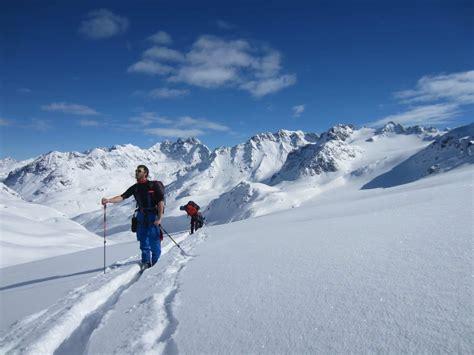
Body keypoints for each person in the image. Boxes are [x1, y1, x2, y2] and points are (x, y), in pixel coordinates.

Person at [101, 165, 164, 269]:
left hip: (153, 215)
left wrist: (159, 218)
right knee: (143, 240)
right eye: (136, 171)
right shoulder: (135, 187)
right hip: (141, 215)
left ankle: (155, 264)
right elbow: (122, 196)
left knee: (154, 240)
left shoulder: (153, 185)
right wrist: (108, 200)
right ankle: (146, 262)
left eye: (139, 171)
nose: (136, 173)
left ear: (145, 173)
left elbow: (160, 201)